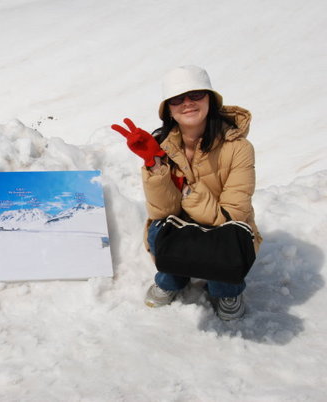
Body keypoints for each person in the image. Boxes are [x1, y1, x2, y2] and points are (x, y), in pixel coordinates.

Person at [111, 65, 262, 320]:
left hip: (224, 228)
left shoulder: (239, 148)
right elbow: (163, 211)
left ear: (210, 100)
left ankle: (227, 290)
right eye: (177, 99)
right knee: (159, 228)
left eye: (195, 95)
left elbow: (232, 214)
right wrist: (154, 164)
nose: (187, 104)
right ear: (168, 109)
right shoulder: (162, 146)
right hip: (180, 225)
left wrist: (187, 193)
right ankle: (172, 280)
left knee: (225, 250)